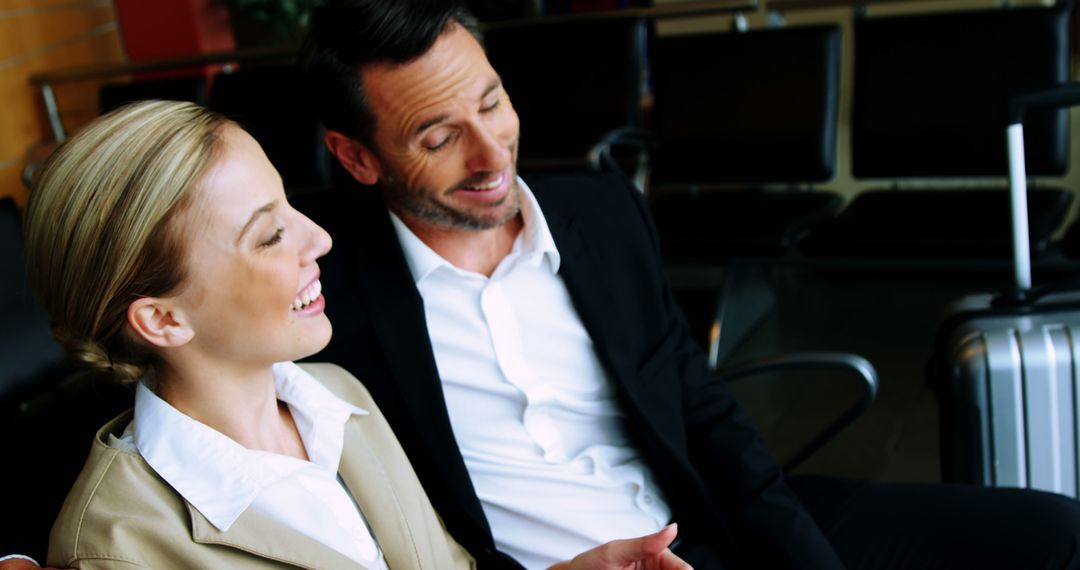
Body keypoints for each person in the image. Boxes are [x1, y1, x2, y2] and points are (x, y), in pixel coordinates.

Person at [296, 1, 1080, 569]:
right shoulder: (316, 281)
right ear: (358, 159)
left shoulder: (599, 213)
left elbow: (704, 410)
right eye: (438, 138)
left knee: (1053, 535)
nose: (491, 154)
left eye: (493, 102)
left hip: (703, 516)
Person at [14, 100, 690, 570]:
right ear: (162, 318)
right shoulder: (119, 550)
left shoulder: (337, 398)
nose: (320, 238)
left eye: (289, 205)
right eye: (271, 235)